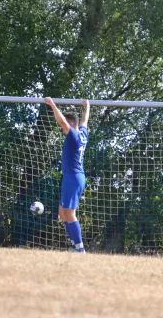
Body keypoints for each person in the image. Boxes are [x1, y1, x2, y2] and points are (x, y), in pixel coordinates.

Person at [45, 97, 90, 253]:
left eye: (66, 126)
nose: (63, 128)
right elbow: (85, 122)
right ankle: (74, 246)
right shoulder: (83, 133)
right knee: (62, 212)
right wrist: (87, 107)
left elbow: (62, 121)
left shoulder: (74, 136)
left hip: (73, 177)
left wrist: (52, 104)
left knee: (69, 213)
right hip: (72, 177)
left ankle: (80, 249)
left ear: (71, 124)